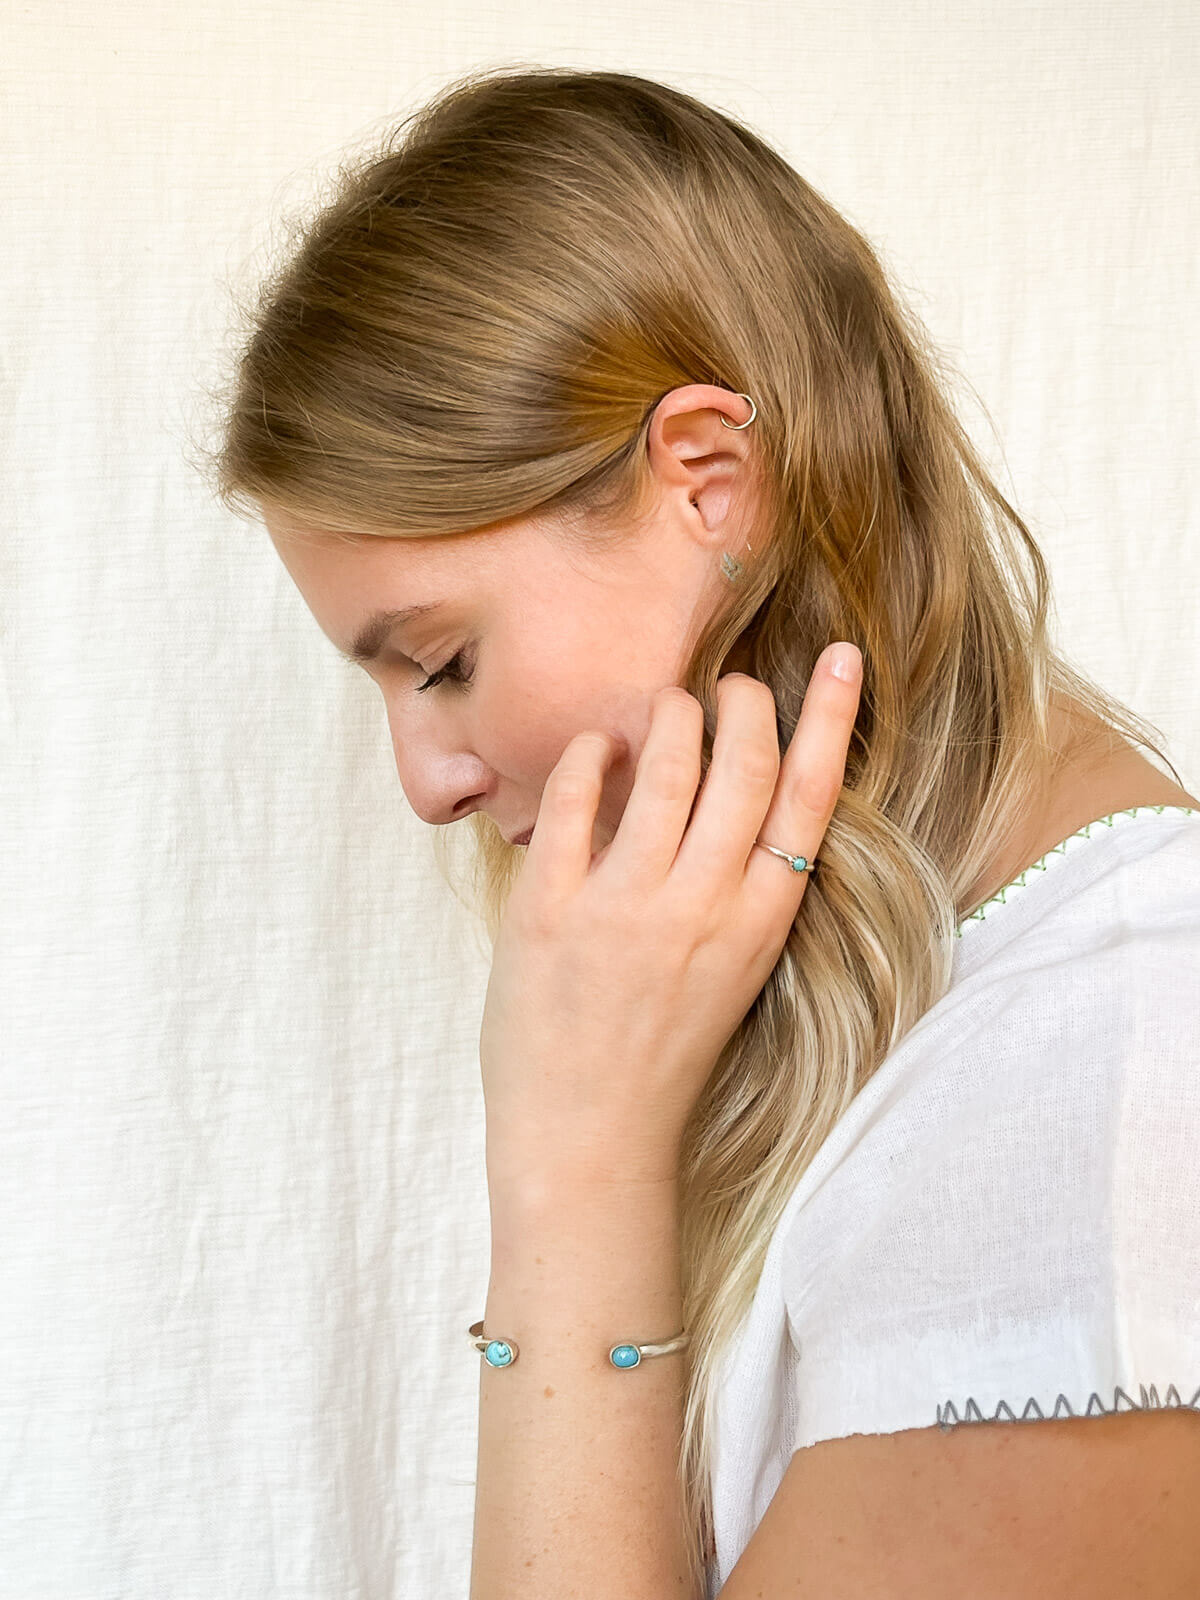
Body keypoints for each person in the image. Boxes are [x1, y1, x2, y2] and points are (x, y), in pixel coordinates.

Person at [203, 65, 1200, 1599]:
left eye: (445, 661)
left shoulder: (1108, 1075)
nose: (425, 783)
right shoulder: (956, 1016)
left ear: (710, 486)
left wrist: (576, 1164)